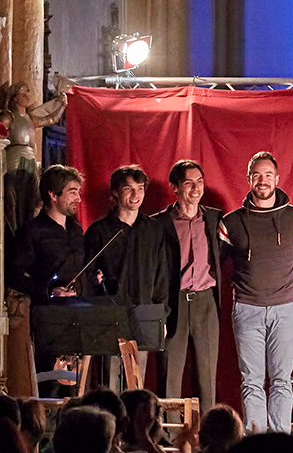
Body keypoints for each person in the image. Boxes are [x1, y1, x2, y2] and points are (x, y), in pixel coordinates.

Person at [219, 152, 293, 433]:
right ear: (248, 179)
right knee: (251, 380)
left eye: (268, 175)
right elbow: (213, 261)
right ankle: (256, 443)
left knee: (282, 379)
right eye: (257, 174)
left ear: (277, 179)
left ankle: (281, 442)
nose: (263, 180)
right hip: (247, 308)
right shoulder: (230, 222)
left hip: (285, 307)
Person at [85, 165, 173, 391]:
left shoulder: (154, 229)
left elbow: (162, 276)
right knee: (109, 383)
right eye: (128, 189)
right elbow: (87, 277)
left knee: (135, 383)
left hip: (143, 314)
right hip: (108, 316)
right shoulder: (99, 231)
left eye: (140, 188)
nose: (135, 195)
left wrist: (160, 315)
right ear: (115, 193)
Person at [6, 165, 85, 395]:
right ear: (53, 194)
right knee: (50, 388)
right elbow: (15, 274)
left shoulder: (75, 229)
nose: (78, 198)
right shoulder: (32, 232)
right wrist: (48, 291)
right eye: (72, 192)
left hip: (77, 319)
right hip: (48, 320)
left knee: (76, 391)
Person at [153, 160, 223, 416]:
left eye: (200, 182)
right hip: (174, 303)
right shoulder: (159, 223)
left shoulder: (215, 218)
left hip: (206, 301)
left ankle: (209, 434)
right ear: (175, 188)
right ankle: (169, 436)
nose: (196, 188)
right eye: (188, 183)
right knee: (170, 373)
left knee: (207, 375)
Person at [1, 81, 64, 235]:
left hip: (30, 159)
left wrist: (62, 104)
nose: (27, 97)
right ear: (15, 98)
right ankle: (13, 231)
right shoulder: (10, 117)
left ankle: (27, 228)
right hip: (15, 158)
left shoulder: (30, 118)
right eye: (23, 94)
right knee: (13, 198)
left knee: (33, 198)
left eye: (27, 93)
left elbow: (51, 119)